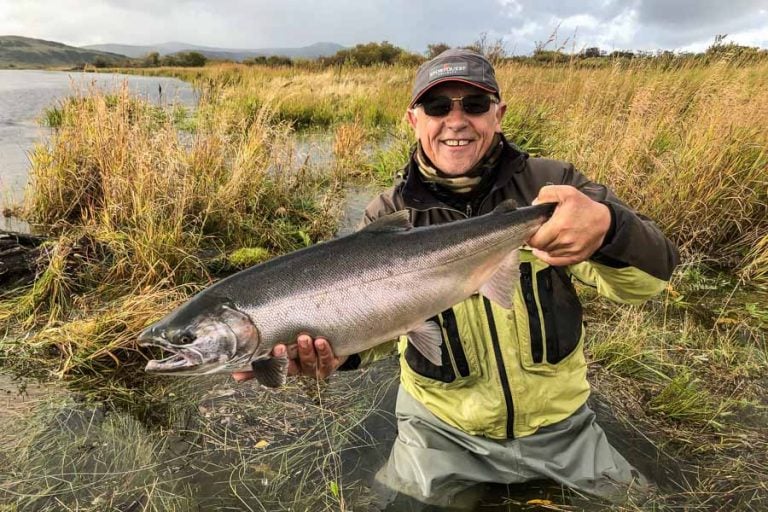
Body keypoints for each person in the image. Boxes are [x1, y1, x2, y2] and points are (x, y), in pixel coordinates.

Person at [233, 48, 679, 506]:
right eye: (438, 106)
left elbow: (646, 285)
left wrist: (609, 226)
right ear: (414, 119)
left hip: (563, 428)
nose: (456, 120)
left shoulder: (554, 189)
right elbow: (383, 333)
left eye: (475, 104)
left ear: (499, 114)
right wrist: (335, 355)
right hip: (439, 435)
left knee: (644, 504)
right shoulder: (388, 217)